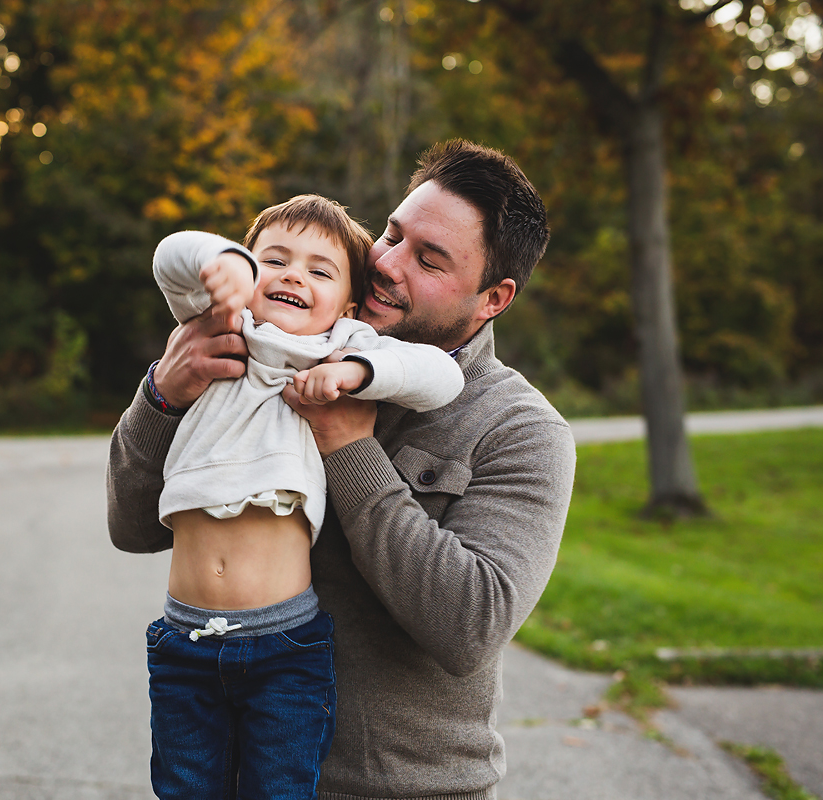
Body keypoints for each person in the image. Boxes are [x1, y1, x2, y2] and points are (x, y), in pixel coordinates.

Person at [107, 140, 576, 800]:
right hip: (239, 769)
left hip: (399, 789)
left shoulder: (520, 431)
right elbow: (132, 527)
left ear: (492, 297)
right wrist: (162, 396)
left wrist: (350, 450)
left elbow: (469, 624)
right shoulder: (268, 350)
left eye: (428, 259)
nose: (385, 263)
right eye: (391, 233)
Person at [143, 194, 464, 799]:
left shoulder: (345, 344)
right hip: (185, 638)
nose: (294, 275)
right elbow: (168, 257)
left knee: (281, 789)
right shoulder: (218, 322)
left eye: (321, 270)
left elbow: (441, 377)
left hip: (285, 645)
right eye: (276, 260)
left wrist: (357, 373)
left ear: (348, 304)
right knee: (184, 788)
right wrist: (226, 263)